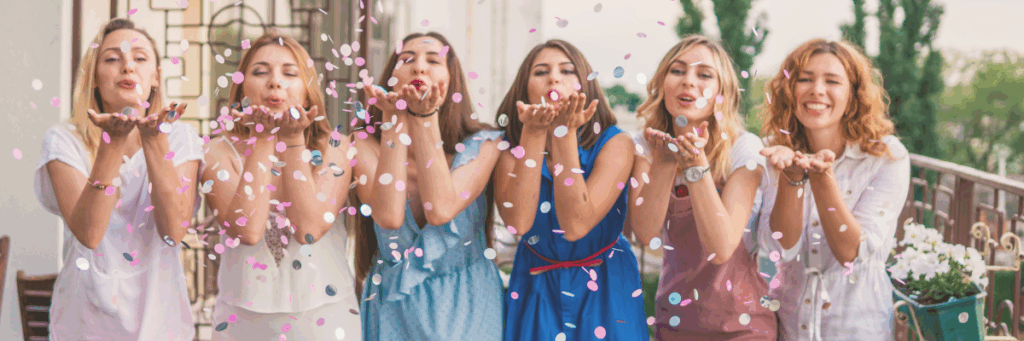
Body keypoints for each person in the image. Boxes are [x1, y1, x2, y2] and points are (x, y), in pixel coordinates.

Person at [33, 18, 202, 340]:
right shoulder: (63, 140)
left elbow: (174, 231)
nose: (127, 66)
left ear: (155, 77)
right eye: (112, 58)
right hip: (84, 322)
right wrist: (112, 145)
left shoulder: (181, 138)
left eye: (140, 58)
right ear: (94, 77)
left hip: (161, 321)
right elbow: (89, 233)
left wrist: (155, 141)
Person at [201, 32, 361, 340]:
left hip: (325, 318)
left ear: (307, 93)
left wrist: (292, 139)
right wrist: (262, 138)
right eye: (260, 72)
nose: (275, 82)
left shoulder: (334, 147)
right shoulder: (217, 151)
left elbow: (308, 229)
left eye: (290, 73)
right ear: (241, 88)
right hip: (241, 322)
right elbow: (248, 231)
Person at [352, 32, 504, 340]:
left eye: (433, 61)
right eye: (406, 59)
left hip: (469, 301)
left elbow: (440, 209)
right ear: (390, 77)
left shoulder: (485, 144)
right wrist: (394, 122)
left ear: (452, 80)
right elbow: (389, 216)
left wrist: (425, 118)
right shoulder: (364, 144)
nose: (419, 67)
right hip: (393, 305)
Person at [626, 34, 778, 340]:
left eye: (705, 74)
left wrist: (696, 165)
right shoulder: (645, 145)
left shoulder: (744, 148)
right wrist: (665, 163)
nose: (688, 81)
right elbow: (643, 234)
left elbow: (721, 248)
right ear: (662, 83)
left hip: (743, 326)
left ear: (722, 92)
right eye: (677, 70)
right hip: (675, 323)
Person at [757, 38, 910, 340]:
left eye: (832, 81)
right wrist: (791, 179)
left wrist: (822, 179)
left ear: (853, 95)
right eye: (805, 79)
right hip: (791, 323)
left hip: (857, 325)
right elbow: (780, 249)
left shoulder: (886, 156)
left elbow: (852, 253)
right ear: (789, 90)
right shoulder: (773, 153)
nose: (817, 90)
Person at [495, 39, 647, 341]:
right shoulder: (508, 150)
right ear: (524, 89)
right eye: (541, 72)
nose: (553, 78)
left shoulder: (616, 144)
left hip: (606, 283)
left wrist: (564, 135)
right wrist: (534, 133)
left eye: (567, 71)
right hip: (536, 285)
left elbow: (576, 225)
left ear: (586, 85)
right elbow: (518, 223)